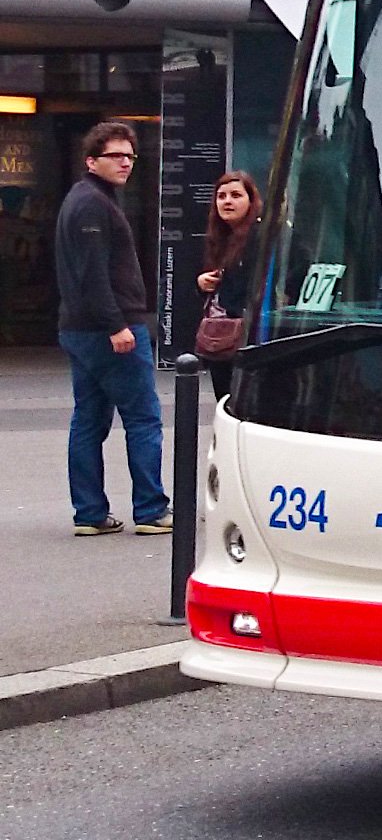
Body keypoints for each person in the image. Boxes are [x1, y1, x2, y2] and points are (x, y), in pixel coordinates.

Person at [57, 120, 168, 537]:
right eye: (115, 156)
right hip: (110, 329)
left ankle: (89, 513)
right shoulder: (92, 203)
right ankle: (152, 510)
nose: (125, 162)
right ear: (91, 160)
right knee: (143, 418)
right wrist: (117, 326)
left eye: (130, 156)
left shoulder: (88, 198)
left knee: (89, 419)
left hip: (80, 328)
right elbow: (92, 274)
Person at [195, 170, 262, 400]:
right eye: (222, 196)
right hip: (223, 337)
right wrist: (202, 283)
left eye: (236, 195)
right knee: (224, 400)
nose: (228, 202)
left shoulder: (262, 235)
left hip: (252, 335)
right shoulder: (219, 236)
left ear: (251, 201)